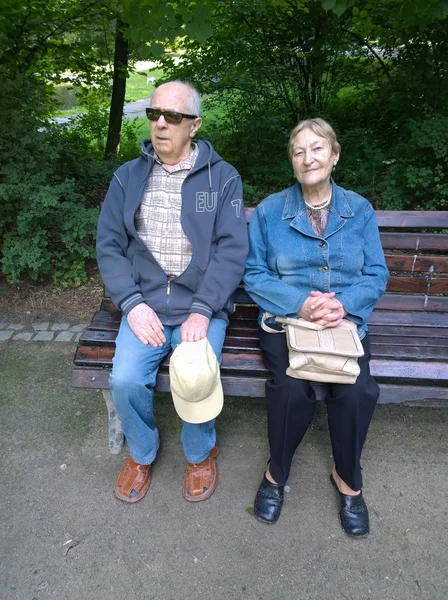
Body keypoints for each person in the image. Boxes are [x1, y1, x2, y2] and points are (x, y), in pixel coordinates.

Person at [96, 81, 248, 503]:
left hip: (199, 305)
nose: (160, 124)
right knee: (125, 378)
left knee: (197, 376)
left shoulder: (223, 179)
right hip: (144, 303)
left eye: (174, 117)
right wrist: (131, 304)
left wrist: (203, 310)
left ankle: (200, 453)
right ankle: (142, 451)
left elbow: (232, 251)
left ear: (194, 125)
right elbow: (109, 244)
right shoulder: (127, 177)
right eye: (154, 114)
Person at [243, 118, 389, 535]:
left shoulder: (358, 210)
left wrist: (341, 305)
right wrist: (301, 304)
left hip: (343, 323)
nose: (309, 158)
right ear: (292, 163)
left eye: (317, 148)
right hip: (287, 322)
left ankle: (348, 480)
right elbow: (254, 276)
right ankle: (277, 473)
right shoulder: (271, 211)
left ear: (334, 155)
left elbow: (376, 275)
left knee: (358, 390)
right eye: (299, 151)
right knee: (291, 389)